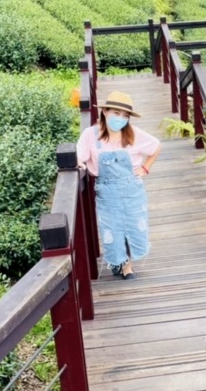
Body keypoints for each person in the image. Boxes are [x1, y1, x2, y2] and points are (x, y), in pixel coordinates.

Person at [76, 91, 161, 280]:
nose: (120, 119)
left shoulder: (133, 134)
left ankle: (127, 266)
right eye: (116, 113)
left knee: (132, 226)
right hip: (107, 190)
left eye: (125, 116)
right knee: (112, 228)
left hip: (132, 188)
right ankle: (118, 261)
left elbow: (156, 146)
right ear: (105, 112)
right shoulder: (90, 135)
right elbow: (79, 156)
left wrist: (146, 167)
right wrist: (79, 164)